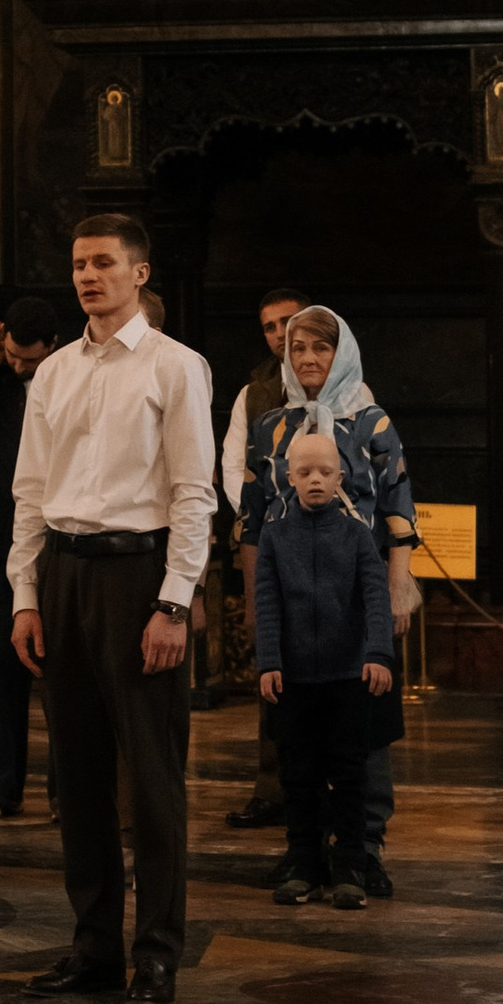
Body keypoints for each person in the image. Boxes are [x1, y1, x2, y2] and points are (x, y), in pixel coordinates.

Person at [12, 217, 215, 1004]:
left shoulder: (177, 367)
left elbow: (195, 491)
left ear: (139, 273)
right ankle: (93, 946)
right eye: (78, 265)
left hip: (139, 577)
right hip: (63, 574)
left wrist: (175, 600)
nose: (87, 276)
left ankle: (157, 951)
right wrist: (26, 596)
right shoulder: (55, 372)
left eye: (103, 263)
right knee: (79, 777)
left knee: (153, 778)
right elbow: (30, 492)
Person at [241, 305, 417, 896]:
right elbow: (253, 516)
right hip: (292, 595)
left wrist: (398, 587)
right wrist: (252, 597)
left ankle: (363, 850)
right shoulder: (269, 426)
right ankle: (305, 851)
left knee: (365, 729)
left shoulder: (371, 421)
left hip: (357, 589)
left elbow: (398, 507)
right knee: (300, 738)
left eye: (320, 348)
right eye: (298, 349)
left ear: (340, 354)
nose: (309, 360)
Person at [252, 428, 394, 909]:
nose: (315, 480)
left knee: (351, 773)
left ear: (341, 478)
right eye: (305, 472)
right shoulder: (275, 536)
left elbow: (376, 597)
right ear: (289, 478)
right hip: (294, 680)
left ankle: (351, 863)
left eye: (325, 472)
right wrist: (269, 662)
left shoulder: (356, 535)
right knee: (299, 775)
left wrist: (377, 654)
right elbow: (267, 602)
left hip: (347, 677)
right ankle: (304, 862)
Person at [0, 295, 59, 817]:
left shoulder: (64, 380)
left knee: (59, 673)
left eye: (31, 358)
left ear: (54, 346)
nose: (22, 366)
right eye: (15, 355)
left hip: (56, 545)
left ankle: (65, 791)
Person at [223, 288, 302, 831]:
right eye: (270, 326)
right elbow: (233, 467)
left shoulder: (350, 384)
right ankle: (271, 788)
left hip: (333, 542)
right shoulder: (254, 394)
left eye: (289, 322)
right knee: (272, 663)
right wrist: (266, 516)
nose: (280, 334)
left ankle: (330, 793)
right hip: (271, 541)